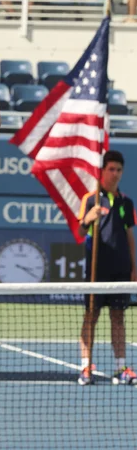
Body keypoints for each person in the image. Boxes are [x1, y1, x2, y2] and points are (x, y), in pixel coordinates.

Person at [77, 150, 137, 387]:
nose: (115, 174)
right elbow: (81, 233)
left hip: (120, 270)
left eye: (119, 170)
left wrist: (134, 266)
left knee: (119, 317)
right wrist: (89, 218)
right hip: (96, 270)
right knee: (91, 316)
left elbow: (130, 236)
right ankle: (85, 365)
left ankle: (120, 366)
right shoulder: (91, 199)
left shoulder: (126, 202)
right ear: (102, 171)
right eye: (111, 169)